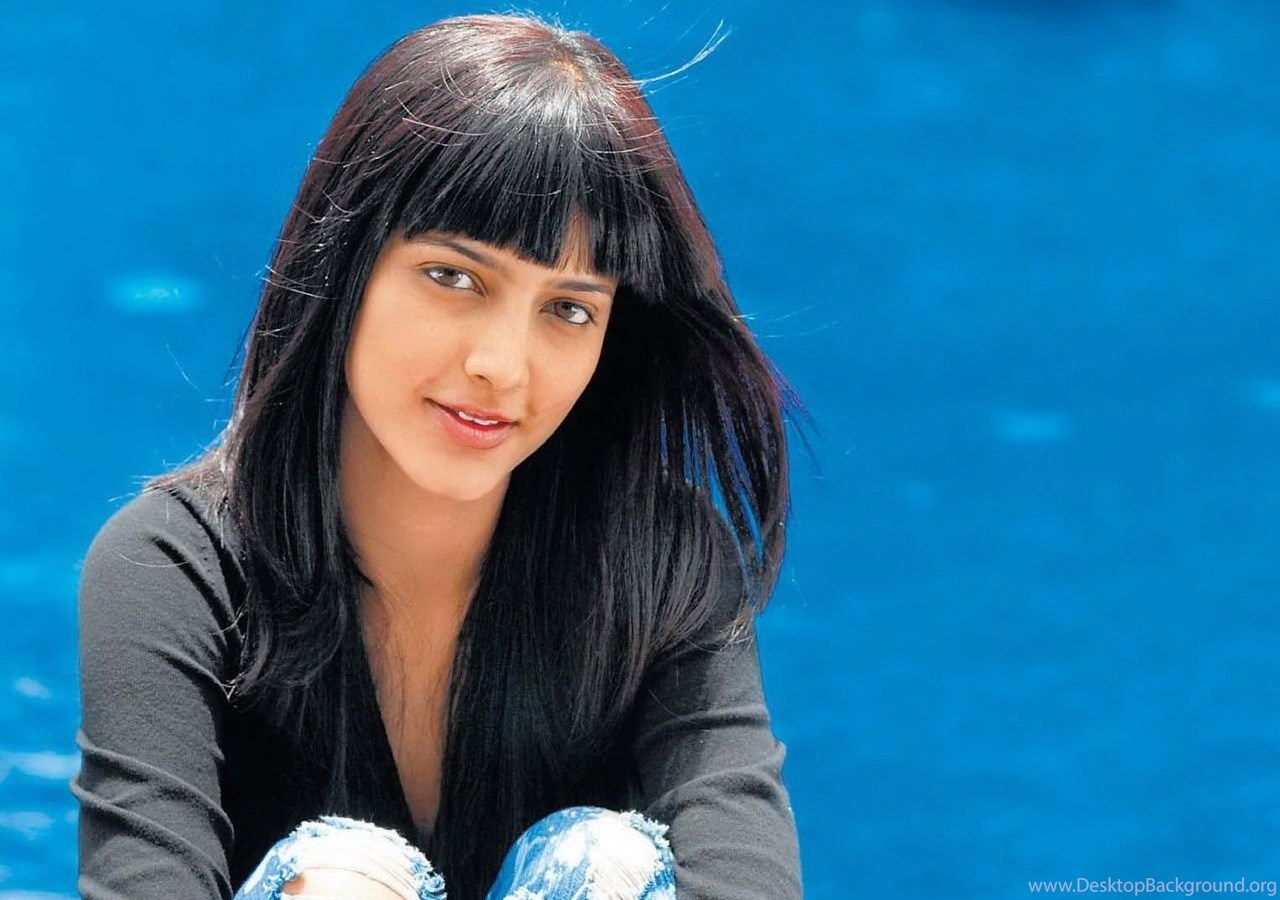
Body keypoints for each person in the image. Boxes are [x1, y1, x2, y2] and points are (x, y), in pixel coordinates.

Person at [72, 11, 808, 900]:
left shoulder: (662, 564)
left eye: (568, 309)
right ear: (346, 266)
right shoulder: (176, 569)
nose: (502, 365)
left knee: (606, 863)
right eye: (453, 276)